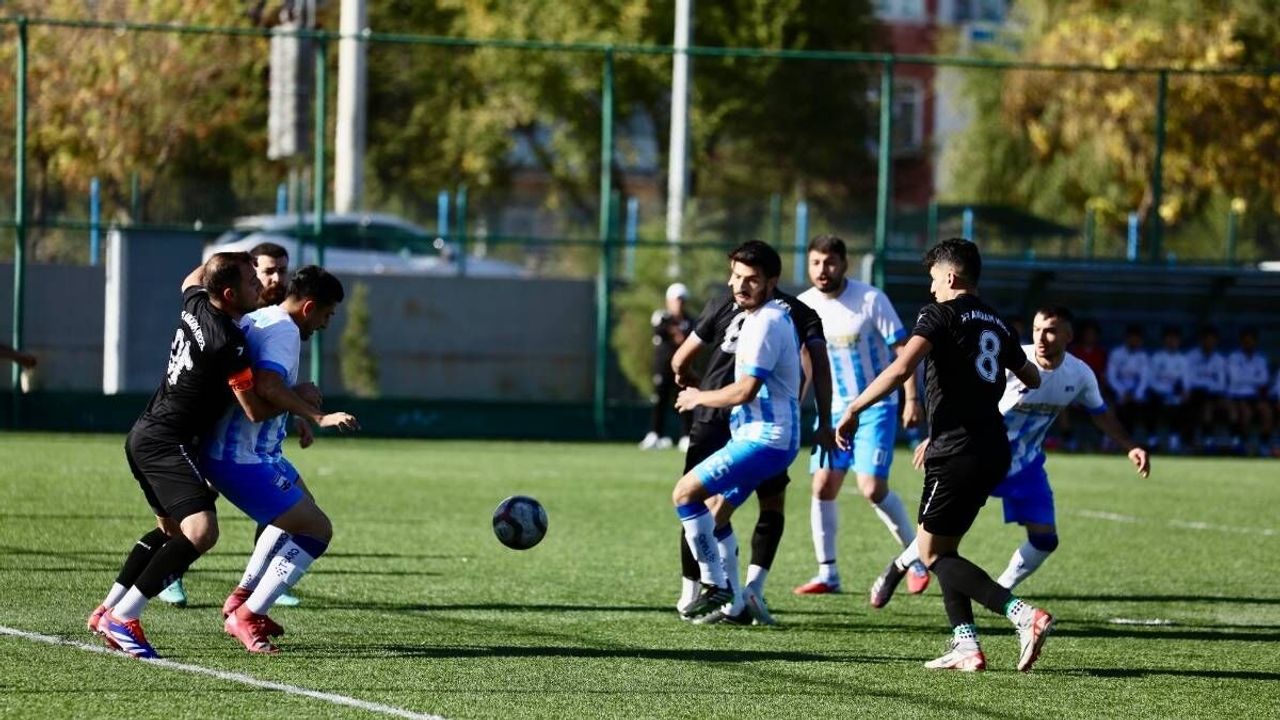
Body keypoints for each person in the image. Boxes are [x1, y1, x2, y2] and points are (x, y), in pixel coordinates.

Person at [834, 238, 1052, 672]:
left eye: (934, 279)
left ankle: (1023, 615)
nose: (931, 288)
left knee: (932, 554)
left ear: (951, 277)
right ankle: (966, 645)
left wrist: (854, 408)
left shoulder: (939, 313)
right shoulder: (997, 322)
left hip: (956, 448)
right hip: (994, 447)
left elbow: (902, 367)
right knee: (944, 549)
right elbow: (1032, 377)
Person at [875, 306, 1150, 599]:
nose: (1041, 337)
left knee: (1045, 540)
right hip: (979, 456)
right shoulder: (1012, 360)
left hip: (1026, 465)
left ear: (1069, 336)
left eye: (1051, 331)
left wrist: (1130, 446)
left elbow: (1100, 413)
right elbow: (968, 396)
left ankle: (1001, 589)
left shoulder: (1080, 374)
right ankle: (900, 566)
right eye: (1037, 330)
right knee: (943, 533)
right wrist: (938, 435)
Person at [86, 253, 280, 658]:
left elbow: (194, 277)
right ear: (230, 295)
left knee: (172, 533)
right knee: (201, 531)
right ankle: (124, 617)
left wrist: (227, 259)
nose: (260, 286)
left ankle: (108, 609)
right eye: (251, 281)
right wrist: (304, 402)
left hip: (145, 434)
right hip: (168, 442)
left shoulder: (197, 301)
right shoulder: (229, 343)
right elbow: (253, 410)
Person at [670, 248, 832, 626]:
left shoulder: (767, 322)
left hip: (765, 441)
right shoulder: (761, 316)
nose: (740, 286)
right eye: (736, 276)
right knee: (714, 513)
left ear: (771, 283)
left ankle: (716, 585)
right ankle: (735, 599)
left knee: (685, 494)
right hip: (758, 437)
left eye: (752, 279)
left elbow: (745, 391)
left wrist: (697, 397)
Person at [202, 265, 356, 654]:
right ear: (309, 307)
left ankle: (243, 597)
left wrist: (295, 406)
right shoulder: (285, 331)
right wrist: (316, 415)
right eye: (327, 315)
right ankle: (247, 614)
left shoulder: (263, 317)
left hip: (258, 451)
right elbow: (268, 386)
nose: (325, 324)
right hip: (241, 456)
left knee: (301, 514)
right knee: (316, 530)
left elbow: (264, 384)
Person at [156, 240, 308, 609]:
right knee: (194, 510)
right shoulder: (234, 320)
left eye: (282, 271)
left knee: (290, 505)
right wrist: (307, 407)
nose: (275, 279)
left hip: (251, 438)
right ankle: (168, 573)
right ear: (244, 276)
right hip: (211, 430)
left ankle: (265, 582)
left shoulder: (274, 318)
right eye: (266, 271)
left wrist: (297, 413)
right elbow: (260, 388)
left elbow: (271, 378)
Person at [794, 234, 927, 596]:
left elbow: (904, 351)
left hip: (875, 407)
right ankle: (828, 574)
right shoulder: (804, 305)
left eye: (830, 262)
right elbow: (806, 360)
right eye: (816, 263)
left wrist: (911, 398)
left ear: (844, 264)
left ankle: (916, 559)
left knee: (871, 488)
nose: (823, 270)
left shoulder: (870, 299)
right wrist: (796, 403)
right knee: (823, 485)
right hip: (832, 411)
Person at [1224, 327, 1273, 454]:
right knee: (1246, 413)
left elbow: (1264, 379)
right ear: (1241, 342)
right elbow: (1235, 379)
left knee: (1267, 412)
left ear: (1255, 342)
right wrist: (1254, 378)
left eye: (1251, 340)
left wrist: (1245, 378)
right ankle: (1243, 443)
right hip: (1236, 395)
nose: (1248, 343)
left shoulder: (1261, 359)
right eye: (1246, 341)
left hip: (1254, 395)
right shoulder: (1233, 357)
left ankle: (1264, 444)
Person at [1147, 326, 1191, 452]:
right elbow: (1150, 380)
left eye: (1175, 339)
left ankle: (1175, 440)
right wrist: (1164, 392)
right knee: (1151, 402)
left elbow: (1186, 381)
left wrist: (1184, 392)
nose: (1172, 341)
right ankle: (1153, 440)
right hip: (1159, 394)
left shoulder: (1183, 359)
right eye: (1169, 338)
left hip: (1176, 395)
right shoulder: (1156, 358)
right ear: (1164, 340)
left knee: (1185, 406)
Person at [1184, 326, 1227, 451]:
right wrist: (1205, 385)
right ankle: (1192, 441)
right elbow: (1189, 379)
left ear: (1216, 341)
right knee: (1196, 405)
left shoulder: (1220, 360)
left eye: (1212, 339)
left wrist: (1209, 387)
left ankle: (1209, 439)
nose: (1209, 342)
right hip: (1195, 393)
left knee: (1218, 406)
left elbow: (1221, 383)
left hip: (1214, 394)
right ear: (1201, 340)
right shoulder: (1190, 357)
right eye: (1206, 339)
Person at [1106, 325, 1150, 438]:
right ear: (1126, 338)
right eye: (1132, 338)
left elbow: (1144, 378)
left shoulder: (1143, 356)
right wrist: (1121, 392)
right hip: (1118, 389)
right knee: (1114, 404)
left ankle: (1131, 437)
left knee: (1140, 404)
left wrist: (1136, 394)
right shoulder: (1116, 353)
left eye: (1137, 339)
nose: (1134, 341)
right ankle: (1110, 437)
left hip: (1135, 392)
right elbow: (1111, 376)